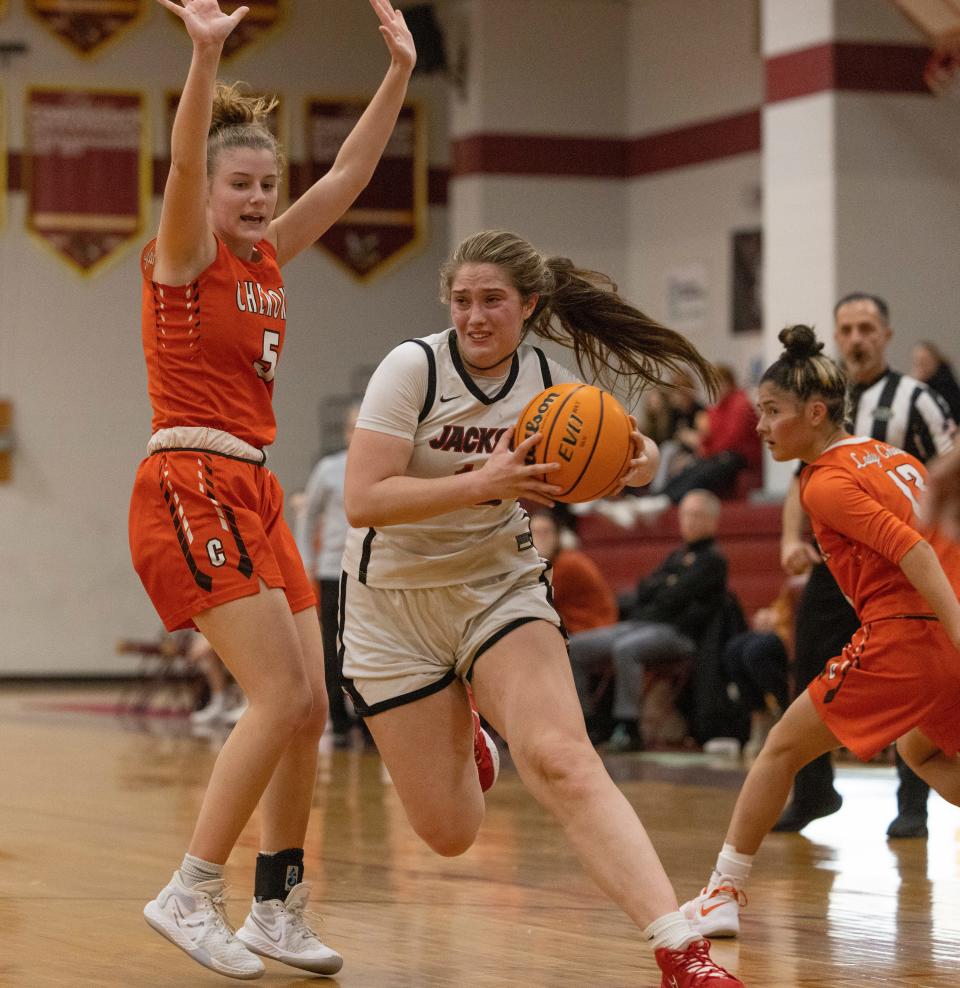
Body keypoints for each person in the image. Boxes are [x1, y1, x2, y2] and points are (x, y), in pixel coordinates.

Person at [340, 229, 743, 987]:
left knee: (563, 759)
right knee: (451, 834)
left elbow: (635, 458)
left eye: (493, 300)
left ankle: (680, 947)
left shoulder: (547, 383)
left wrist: (637, 457)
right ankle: (470, 734)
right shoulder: (413, 369)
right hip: (392, 607)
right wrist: (480, 483)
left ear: (528, 305)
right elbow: (365, 500)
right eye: (462, 301)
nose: (475, 316)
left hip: (498, 587)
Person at [127, 0, 415, 979]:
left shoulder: (269, 256)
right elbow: (178, 165)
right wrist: (205, 55)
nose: (255, 198)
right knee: (281, 692)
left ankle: (277, 903)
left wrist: (399, 74)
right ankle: (188, 888)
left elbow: (351, 174)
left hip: (253, 488)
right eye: (238, 184)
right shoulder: (186, 254)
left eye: (265, 184)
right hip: (189, 477)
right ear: (206, 192)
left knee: (310, 707)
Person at [681, 324, 960, 946]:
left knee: (780, 748)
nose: (760, 427)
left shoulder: (828, 483)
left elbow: (914, 550)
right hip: (940, 635)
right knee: (922, 751)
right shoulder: (895, 458)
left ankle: (721, 893)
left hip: (910, 637)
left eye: (772, 412)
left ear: (814, 411)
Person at [776, 292, 955, 840]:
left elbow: (948, 469)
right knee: (809, 653)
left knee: (910, 677)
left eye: (867, 328)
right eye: (846, 328)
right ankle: (813, 791)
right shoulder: (824, 402)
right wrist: (789, 537)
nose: (856, 338)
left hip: (910, 560)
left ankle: (911, 805)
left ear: (887, 335)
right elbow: (801, 476)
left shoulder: (917, 399)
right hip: (845, 560)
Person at [568, 489, 728, 751]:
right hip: (642, 625)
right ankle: (587, 723)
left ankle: (628, 727)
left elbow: (671, 598)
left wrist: (664, 588)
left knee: (626, 648)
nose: (689, 521)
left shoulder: (713, 560)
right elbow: (646, 589)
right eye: (686, 514)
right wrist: (667, 587)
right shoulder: (677, 556)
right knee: (574, 646)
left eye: (697, 515)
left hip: (679, 634)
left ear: (713, 520)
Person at [296, 403, 361, 747]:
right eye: (354, 426)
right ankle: (336, 719)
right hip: (332, 569)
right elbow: (308, 515)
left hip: (370, 572)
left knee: (366, 648)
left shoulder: (384, 466)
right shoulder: (329, 468)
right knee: (332, 646)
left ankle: (367, 721)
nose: (358, 431)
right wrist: (306, 559)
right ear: (347, 431)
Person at [529, 509, 618, 634]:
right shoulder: (549, 563)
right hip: (574, 628)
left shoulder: (568, 563)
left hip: (591, 629)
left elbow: (536, 601)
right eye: (535, 532)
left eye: (546, 532)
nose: (541, 538)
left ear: (557, 536)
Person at [911, 340, 960, 425]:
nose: (921, 365)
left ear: (934, 360)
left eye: (924, 360)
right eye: (917, 361)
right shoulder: (914, 385)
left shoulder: (947, 385)